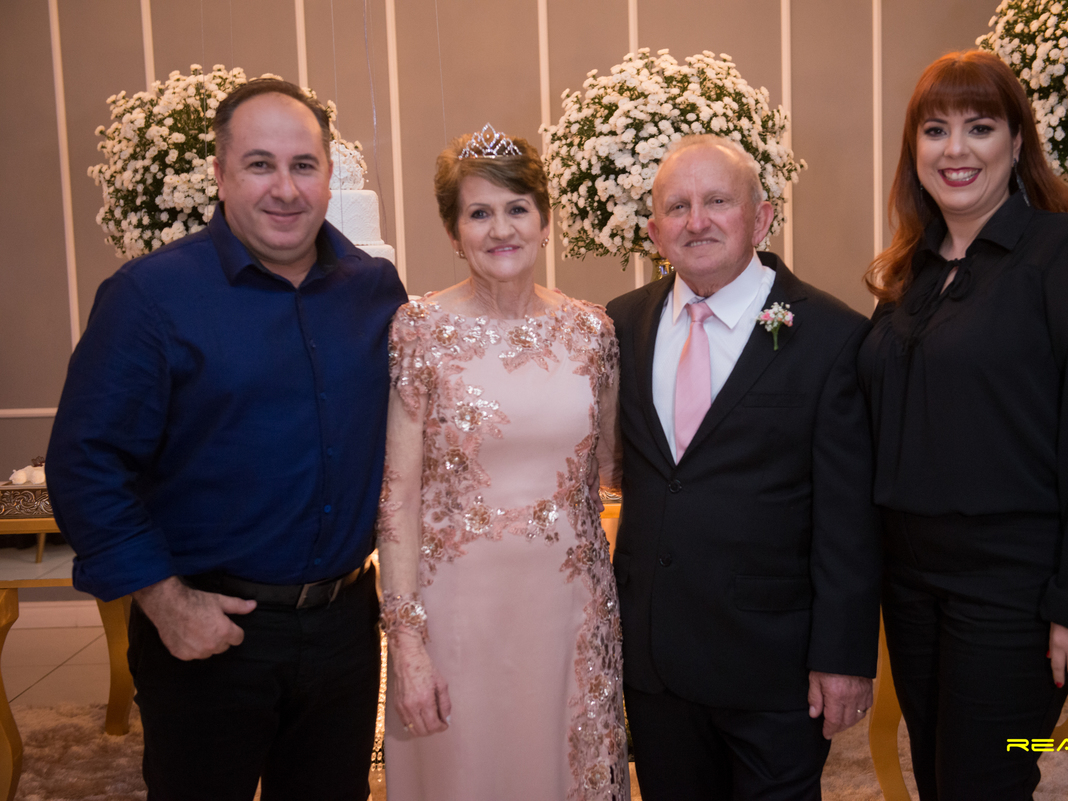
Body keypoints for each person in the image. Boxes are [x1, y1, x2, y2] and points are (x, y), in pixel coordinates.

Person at [46, 78, 406, 800]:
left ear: (328, 175)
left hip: (343, 630)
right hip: (209, 632)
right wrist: (167, 605)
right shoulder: (151, 296)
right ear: (220, 173)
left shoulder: (375, 291)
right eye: (259, 164)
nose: (285, 189)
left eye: (303, 165)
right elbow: (86, 463)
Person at [858, 50, 1068, 800]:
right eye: (935, 130)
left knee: (982, 781)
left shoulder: (1065, 254)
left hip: (1014, 583)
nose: (955, 149)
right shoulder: (910, 270)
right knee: (939, 776)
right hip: (909, 580)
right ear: (913, 150)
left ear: (1017, 142)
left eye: (979, 127)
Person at [606, 134, 882, 800]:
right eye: (677, 207)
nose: (696, 221)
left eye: (717, 202)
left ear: (761, 218)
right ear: (654, 231)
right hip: (656, 661)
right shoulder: (620, 325)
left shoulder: (832, 336)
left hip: (774, 665)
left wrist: (843, 657)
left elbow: (849, 518)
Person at [377, 124, 628, 800]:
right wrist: (406, 640)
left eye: (517, 208)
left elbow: (616, 467)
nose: (500, 229)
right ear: (453, 233)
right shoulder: (419, 330)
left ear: (545, 222)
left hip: (569, 610)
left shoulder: (593, 332)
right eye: (479, 213)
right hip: (456, 613)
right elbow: (397, 496)